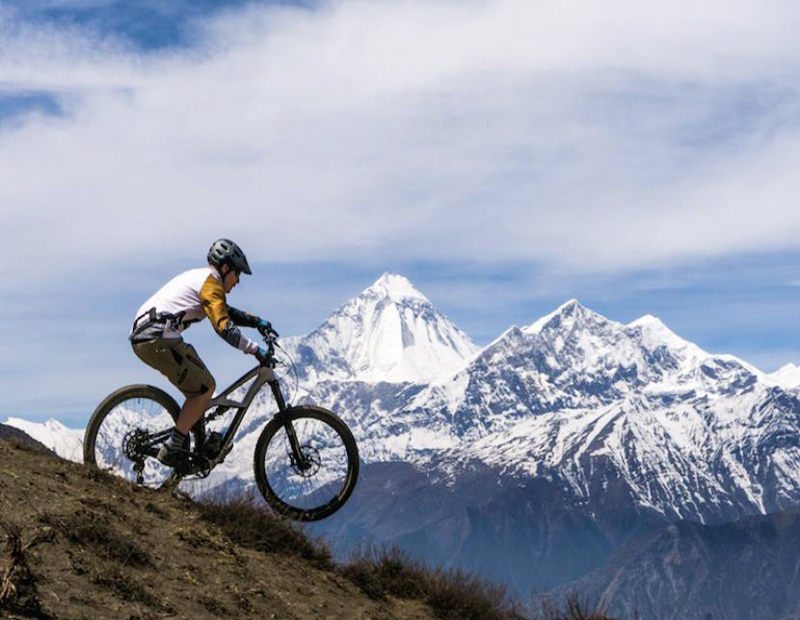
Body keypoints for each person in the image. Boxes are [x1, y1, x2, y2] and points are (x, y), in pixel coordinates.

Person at [129, 238, 272, 467]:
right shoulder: (210, 283)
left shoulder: (204, 280)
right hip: (156, 337)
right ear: (225, 268)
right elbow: (223, 325)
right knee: (205, 388)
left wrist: (257, 322)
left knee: (199, 383)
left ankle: (199, 443)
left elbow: (223, 310)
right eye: (238, 274)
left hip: (152, 335)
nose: (238, 281)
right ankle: (172, 448)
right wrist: (254, 349)